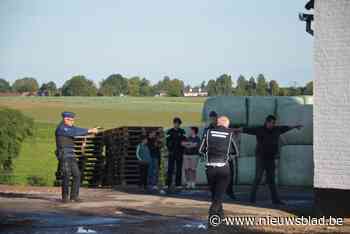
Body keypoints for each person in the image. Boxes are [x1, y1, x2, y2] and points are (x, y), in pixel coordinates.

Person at [235, 115, 303, 205]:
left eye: (273, 123)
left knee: (271, 180)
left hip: (271, 158)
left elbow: (286, 128)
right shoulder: (259, 129)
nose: (272, 125)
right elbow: (247, 130)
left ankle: (275, 200)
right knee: (258, 178)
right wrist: (234, 130)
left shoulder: (277, 129)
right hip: (261, 158)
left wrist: (295, 127)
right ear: (266, 122)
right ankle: (251, 199)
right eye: (271, 123)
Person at [199, 116, 239, 227]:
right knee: (217, 197)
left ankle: (221, 216)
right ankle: (212, 221)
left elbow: (200, 150)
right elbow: (236, 153)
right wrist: (227, 158)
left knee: (216, 195)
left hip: (210, 168)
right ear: (226, 124)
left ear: (217, 123)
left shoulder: (208, 133)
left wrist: (209, 156)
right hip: (223, 169)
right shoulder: (229, 134)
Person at [55, 111, 98, 203]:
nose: (72, 122)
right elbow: (74, 132)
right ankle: (65, 197)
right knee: (66, 175)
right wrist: (89, 130)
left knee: (77, 175)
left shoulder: (71, 127)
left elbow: (78, 130)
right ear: (65, 119)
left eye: (73, 120)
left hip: (71, 154)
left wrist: (90, 131)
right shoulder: (62, 128)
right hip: (64, 154)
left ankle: (74, 196)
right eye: (70, 120)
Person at [203, 111, 236, 200]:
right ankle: (216, 197)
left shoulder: (223, 129)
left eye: (214, 118)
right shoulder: (209, 128)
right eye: (211, 118)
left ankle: (229, 192)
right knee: (219, 178)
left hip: (224, 157)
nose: (212, 119)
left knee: (229, 177)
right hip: (215, 157)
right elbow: (205, 142)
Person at [166, 117, 186, 190]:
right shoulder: (169, 132)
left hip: (179, 153)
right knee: (170, 169)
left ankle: (178, 184)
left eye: (178, 123)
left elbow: (184, 142)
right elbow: (167, 142)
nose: (177, 124)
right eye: (176, 123)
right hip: (171, 153)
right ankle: (168, 184)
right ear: (174, 123)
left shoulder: (182, 132)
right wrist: (169, 149)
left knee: (179, 169)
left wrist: (183, 148)